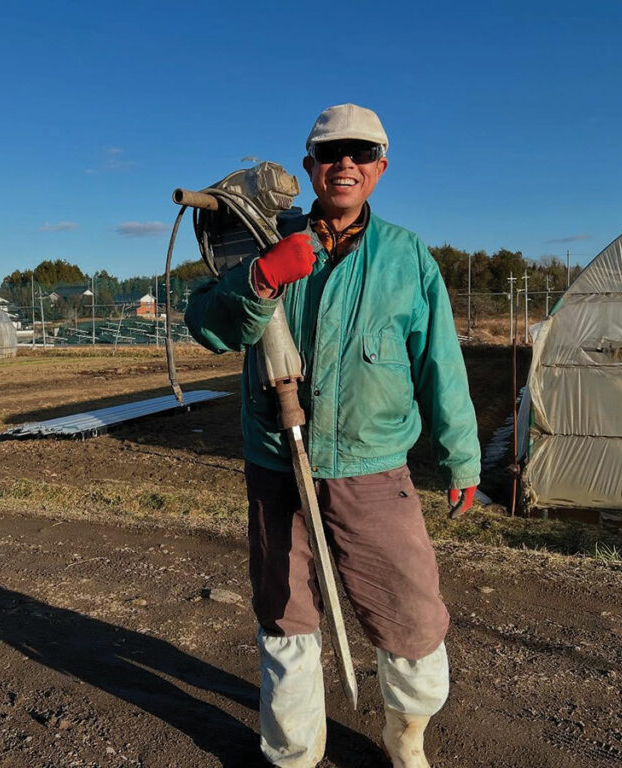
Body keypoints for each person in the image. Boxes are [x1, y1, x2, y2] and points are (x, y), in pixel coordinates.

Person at [185, 103, 480, 768]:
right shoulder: (265, 237)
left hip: (373, 470)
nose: (345, 164)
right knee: (286, 616)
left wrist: (463, 459)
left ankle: (407, 738)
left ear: (380, 167)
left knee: (411, 618)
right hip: (275, 465)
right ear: (310, 166)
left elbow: (441, 365)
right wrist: (260, 279)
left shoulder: (407, 259)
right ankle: (294, 752)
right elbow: (203, 323)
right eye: (331, 153)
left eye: (361, 153)